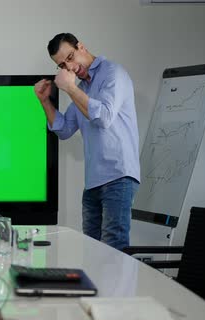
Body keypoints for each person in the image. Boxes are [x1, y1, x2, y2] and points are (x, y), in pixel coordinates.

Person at [34, 33, 140, 250]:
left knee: (114, 249)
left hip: (119, 176)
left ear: (81, 46)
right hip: (93, 182)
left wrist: (70, 88)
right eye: (63, 65)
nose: (70, 67)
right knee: (92, 252)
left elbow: (104, 117)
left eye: (71, 57)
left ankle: (119, 286)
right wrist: (45, 102)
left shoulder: (113, 73)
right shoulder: (82, 89)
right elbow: (64, 130)